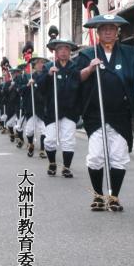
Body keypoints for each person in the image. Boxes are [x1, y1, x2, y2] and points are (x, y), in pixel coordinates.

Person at [77, 14, 134, 211]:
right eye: (104, 29)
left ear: (117, 32)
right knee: (96, 156)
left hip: (120, 113)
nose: (108, 32)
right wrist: (89, 68)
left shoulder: (129, 53)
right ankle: (97, 195)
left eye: (112, 28)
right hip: (96, 114)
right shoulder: (87, 54)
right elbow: (76, 78)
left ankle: (114, 196)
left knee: (118, 156)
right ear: (98, 32)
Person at [36, 39, 80, 177]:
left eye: (66, 49)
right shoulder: (48, 66)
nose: (63, 52)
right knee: (49, 140)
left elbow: (79, 87)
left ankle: (66, 167)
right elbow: (40, 87)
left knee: (68, 140)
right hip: (51, 110)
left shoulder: (75, 67)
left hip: (70, 110)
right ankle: (52, 162)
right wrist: (49, 75)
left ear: (70, 51)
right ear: (55, 51)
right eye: (60, 49)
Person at [21, 57, 48, 158]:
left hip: (42, 107)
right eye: (38, 63)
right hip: (31, 107)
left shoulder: (47, 76)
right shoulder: (28, 76)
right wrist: (29, 84)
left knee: (44, 130)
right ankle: (31, 143)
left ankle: (42, 149)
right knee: (29, 130)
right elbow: (21, 91)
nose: (41, 65)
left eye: (42, 63)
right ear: (34, 66)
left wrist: (36, 84)